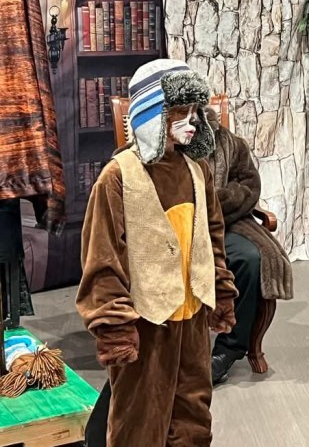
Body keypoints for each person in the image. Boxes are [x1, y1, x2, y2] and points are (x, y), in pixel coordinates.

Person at [76, 59, 238, 446]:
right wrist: (115, 327)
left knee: (194, 412)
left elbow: (212, 237)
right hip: (147, 321)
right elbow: (102, 258)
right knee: (139, 417)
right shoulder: (117, 177)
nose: (192, 122)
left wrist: (220, 291)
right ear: (153, 113)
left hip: (192, 317)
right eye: (180, 112)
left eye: (195, 112)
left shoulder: (197, 171)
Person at [204, 107, 293, 384]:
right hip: (176, 228)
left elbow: (250, 185)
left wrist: (214, 203)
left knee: (251, 258)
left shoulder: (229, 143)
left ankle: (228, 350)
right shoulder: (165, 144)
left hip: (226, 223)